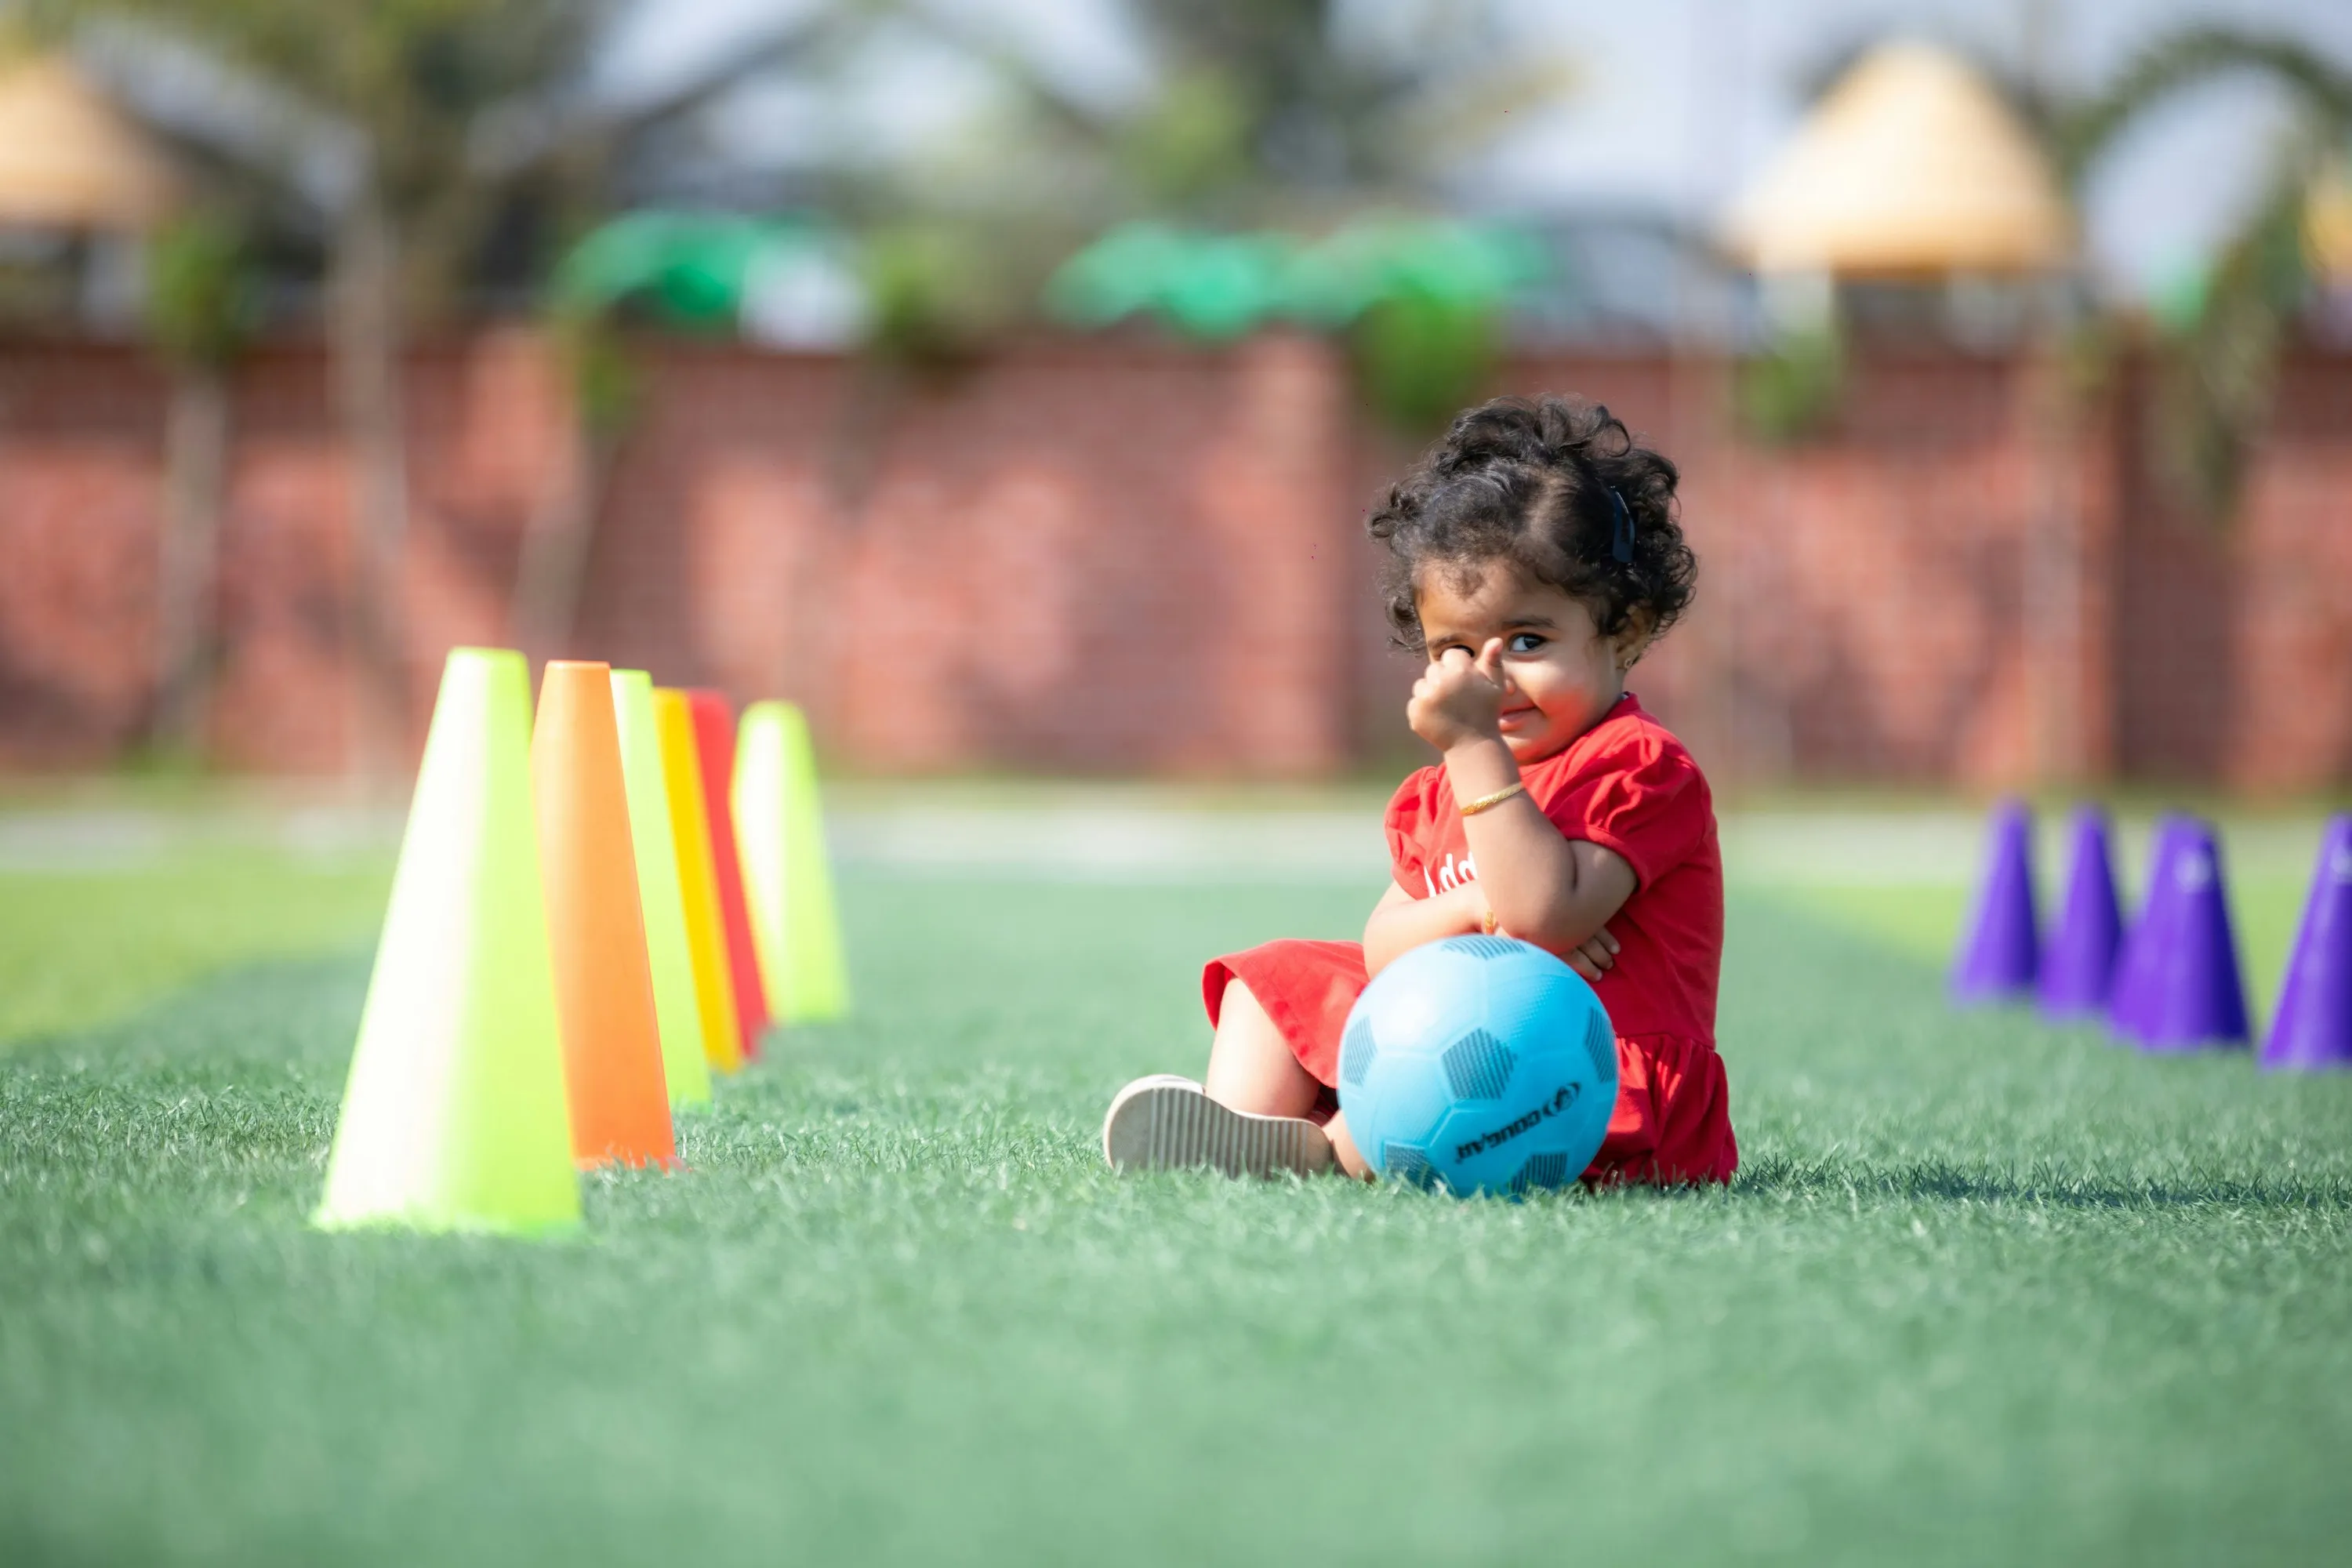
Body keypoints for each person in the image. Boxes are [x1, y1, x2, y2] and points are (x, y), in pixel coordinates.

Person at [1101, 394, 1734, 1186]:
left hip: (1592, 1075)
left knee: (1444, 1079)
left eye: (1529, 640)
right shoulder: (1436, 794)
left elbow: (1542, 913)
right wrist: (1472, 912)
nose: (1491, 677)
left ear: (1626, 628)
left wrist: (1473, 749)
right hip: (1464, 1037)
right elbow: (1385, 942)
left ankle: (1325, 1148)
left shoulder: (1638, 767)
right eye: (1455, 648)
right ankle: (1238, 1130)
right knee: (1277, 974)